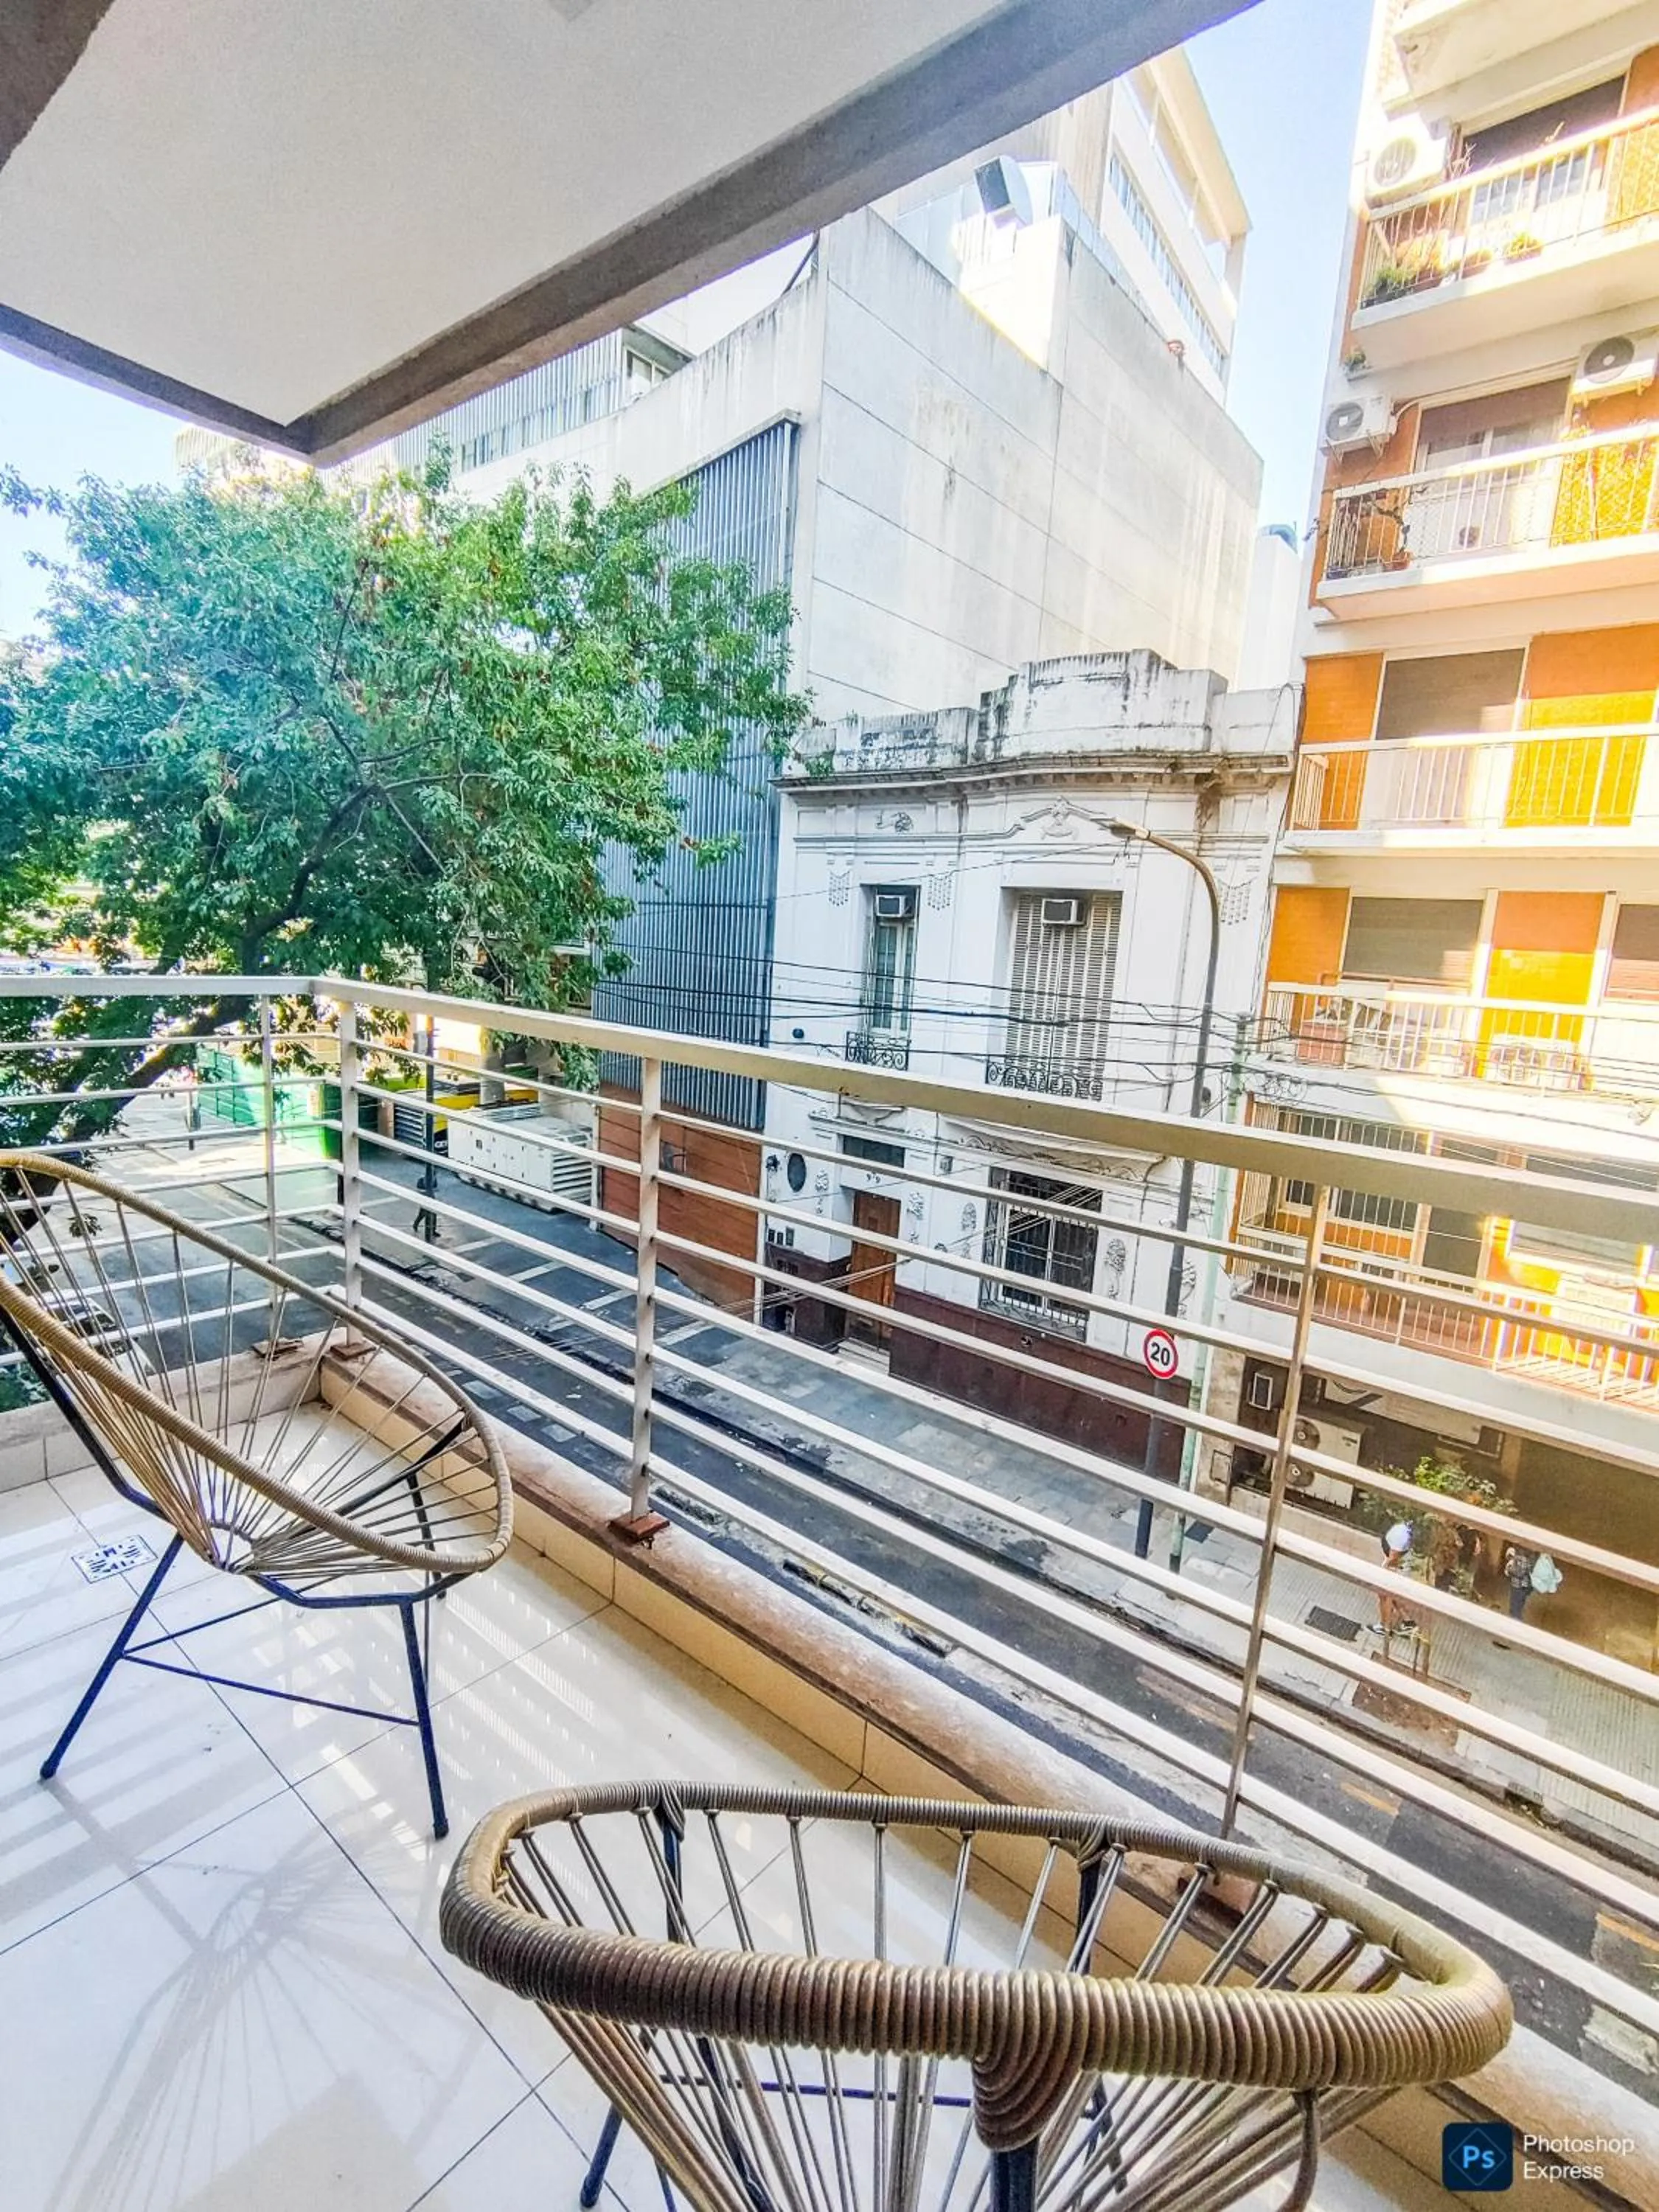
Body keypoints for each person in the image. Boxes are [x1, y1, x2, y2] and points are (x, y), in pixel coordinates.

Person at [1376, 1519, 1414, 1635]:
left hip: (1396, 1568)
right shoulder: (1404, 1529)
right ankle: (1408, 1623)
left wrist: (1385, 1570)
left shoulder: (1401, 1532)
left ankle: (1385, 1627)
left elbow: (1394, 1557)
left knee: (1385, 1595)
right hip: (1401, 1566)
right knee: (1395, 1597)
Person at [1503, 1544, 1535, 1621]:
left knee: (1515, 1606)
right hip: (1522, 1585)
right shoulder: (1527, 1557)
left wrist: (1509, 1569)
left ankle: (1515, 1622)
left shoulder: (1522, 1558)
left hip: (1519, 1586)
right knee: (1518, 1605)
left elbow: (1520, 1572)